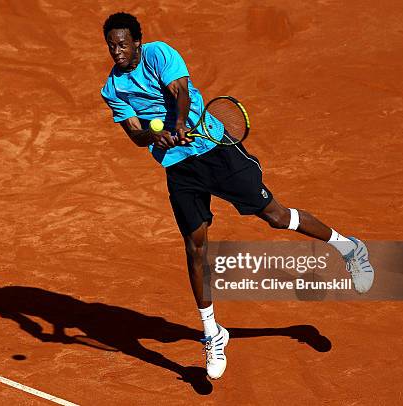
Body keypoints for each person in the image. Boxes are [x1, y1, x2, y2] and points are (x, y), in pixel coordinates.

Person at [100, 12, 375, 380]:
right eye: (111, 45)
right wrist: (156, 137)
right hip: (179, 170)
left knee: (276, 216)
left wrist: (179, 125)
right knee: (195, 247)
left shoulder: (159, 54)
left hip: (215, 150)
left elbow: (180, 91)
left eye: (122, 43)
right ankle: (212, 333)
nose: (116, 51)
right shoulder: (112, 88)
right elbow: (134, 132)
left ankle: (348, 247)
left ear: (137, 41)